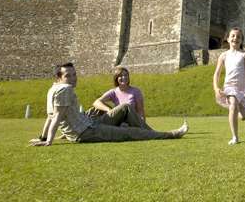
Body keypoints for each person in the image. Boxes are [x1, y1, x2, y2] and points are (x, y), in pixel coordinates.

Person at [29, 63, 188, 146]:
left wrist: (42, 136)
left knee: (125, 109)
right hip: (86, 132)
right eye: (68, 76)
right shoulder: (65, 90)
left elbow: (50, 116)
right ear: (59, 77)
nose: (74, 78)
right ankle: (171, 134)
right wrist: (48, 141)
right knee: (130, 134)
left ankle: (154, 133)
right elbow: (56, 117)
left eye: (74, 74)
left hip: (89, 125)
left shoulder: (53, 89)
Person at [212, 27, 245, 145]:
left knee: (244, 117)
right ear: (227, 39)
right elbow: (216, 74)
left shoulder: (244, 55)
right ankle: (235, 137)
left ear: (241, 40)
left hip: (243, 89)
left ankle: (237, 108)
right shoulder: (223, 55)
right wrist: (216, 88)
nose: (235, 38)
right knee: (232, 106)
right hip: (230, 87)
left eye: (238, 37)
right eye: (233, 36)